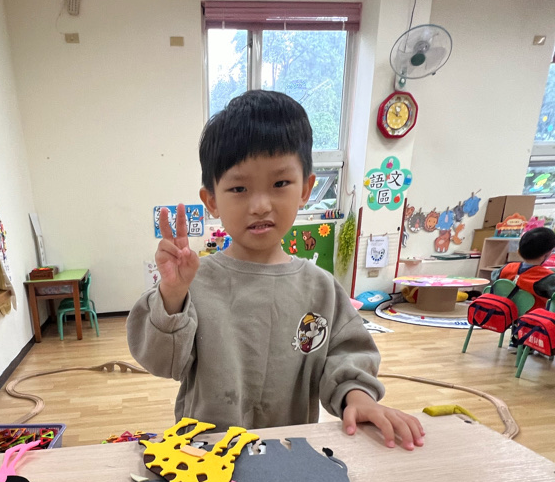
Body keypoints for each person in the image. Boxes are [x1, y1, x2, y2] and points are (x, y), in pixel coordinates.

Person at [127, 90, 424, 450]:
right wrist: (172, 295)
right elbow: (161, 362)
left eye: (280, 183)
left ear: (306, 189)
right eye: (239, 188)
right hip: (205, 456)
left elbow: (346, 355)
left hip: (288, 450)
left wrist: (358, 397)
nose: (260, 205)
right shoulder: (196, 282)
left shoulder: (321, 288)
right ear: (212, 201)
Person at [495, 226, 555, 309]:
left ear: (519, 251)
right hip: (533, 316)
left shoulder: (505, 268)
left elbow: (494, 279)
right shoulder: (548, 278)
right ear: (547, 254)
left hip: (503, 313)